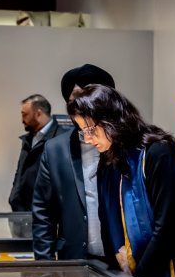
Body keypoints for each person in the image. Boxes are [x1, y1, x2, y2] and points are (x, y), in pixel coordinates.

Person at [67, 84, 175, 277]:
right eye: (83, 132)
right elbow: (106, 223)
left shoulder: (158, 152)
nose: (87, 139)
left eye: (90, 130)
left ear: (110, 120)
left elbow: (167, 228)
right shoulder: (108, 161)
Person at [32, 64, 118, 265]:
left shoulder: (127, 147)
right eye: (73, 102)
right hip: (73, 260)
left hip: (121, 261)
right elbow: (43, 212)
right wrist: (45, 269)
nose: (80, 108)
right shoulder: (55, 150)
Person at [9, 94, 68, 212]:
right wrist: (14, 198)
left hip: (45, 216)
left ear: (38, 113)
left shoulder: (61, 139)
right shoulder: (28, 140)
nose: (22, 120)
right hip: (21, 213)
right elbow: (20, 172)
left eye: (25, 115)